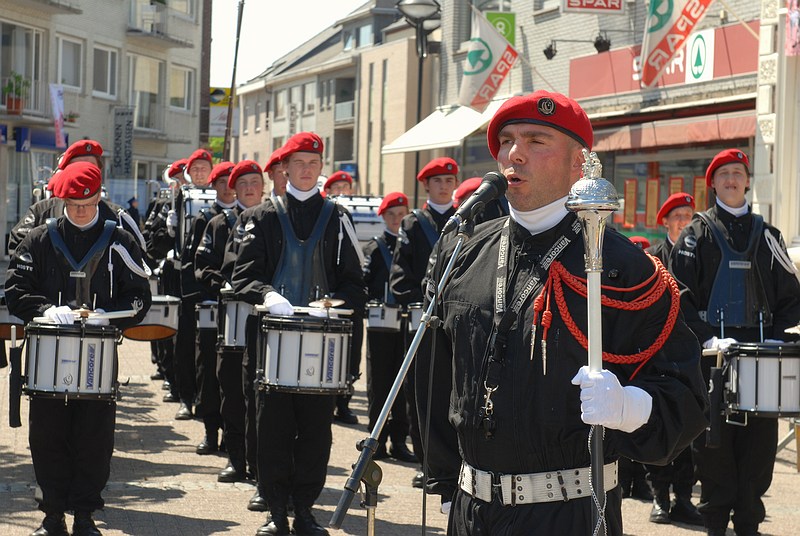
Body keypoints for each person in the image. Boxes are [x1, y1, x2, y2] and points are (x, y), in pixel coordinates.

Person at [422, 90, 708, 535]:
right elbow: (439, 376)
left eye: (537, 141)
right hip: (471, 511)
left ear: (580, 164)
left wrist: (627, 407)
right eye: (507, 141)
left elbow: (687, 403)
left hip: (568, 511)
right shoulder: (466, 253)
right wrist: (444, 483)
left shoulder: (623, 268)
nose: (514, 154)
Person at [231, 132, 367, 536]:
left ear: (321, 167)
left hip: (320, 345)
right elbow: (243, 277)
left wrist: (334, 303)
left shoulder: (338, 217)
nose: (307, 170)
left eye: (314, 163)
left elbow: (356, 286)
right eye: (299, 163)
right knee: (271, 429)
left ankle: (304, 510)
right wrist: (268, 294)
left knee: (314, 432)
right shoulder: (263, 216)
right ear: (284, 168)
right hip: (272, 341)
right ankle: (275, 511)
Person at [5, 162, 151, 536]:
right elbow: (15, 289)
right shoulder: (38, 238)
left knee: (94, 439)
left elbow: (139, 299)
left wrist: (108, 316)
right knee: (47, 437)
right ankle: (52, 514)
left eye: (87, 203)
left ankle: (85, 515)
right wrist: (43, 309)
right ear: (62, 200)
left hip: (97, 360)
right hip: (47, 358)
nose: (81, 211)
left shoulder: (120, 241)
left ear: (99, 197)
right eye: (73, 204)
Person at [670, 149, 800, 536]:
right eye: (723, 173)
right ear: (712, 183)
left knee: (759, 451)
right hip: (713, 359)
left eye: (738, 173)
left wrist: (771, 341)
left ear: (747, 180)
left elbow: (792, 299)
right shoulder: (695, 235)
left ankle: (748, 525)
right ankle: (714, 525)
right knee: (713, 451)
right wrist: (709, 338)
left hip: (761, 360)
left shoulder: (770, 237)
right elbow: (677, 297)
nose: (731, 179)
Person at [389, 156, 460, 491]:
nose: (445, 187)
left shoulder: (467, 219)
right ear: (426, 186)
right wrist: (419, 297)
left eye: (449, 181)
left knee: (456, 392)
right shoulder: (414, 224)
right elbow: (399, 279)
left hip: (459, 321)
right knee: (424, 393)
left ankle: (457, 460)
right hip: (426, 320)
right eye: (438, 182)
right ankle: (427, 461)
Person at [195, 159, 265, 486]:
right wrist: (220, 283)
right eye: (244, 184)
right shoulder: (219, 225)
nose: (250, 189)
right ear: (234, 189)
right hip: (232, 321)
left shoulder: (271, 220)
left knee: (261, 399)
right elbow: (202, 265)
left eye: (255, 182)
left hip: (263, 321)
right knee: (232, 394)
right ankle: (236, 460)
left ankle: (259, 463)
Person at [640, 191, 702, 525]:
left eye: (689, 216)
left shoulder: (701, 255)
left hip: (690, 355)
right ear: (665, 222)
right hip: (658, 353)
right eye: (677, 217)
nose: (683, 223)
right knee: (659, 422)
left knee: (690, 427)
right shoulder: (651, 258)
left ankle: (683, 498)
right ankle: (659, 498)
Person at [8, 139, 145, 256]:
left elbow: (138, 259)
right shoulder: (41, 210)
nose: (82, 174)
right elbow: (18, 247)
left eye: (90, 168)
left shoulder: (118, 216)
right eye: (76, 167)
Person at [183, 159, 237, 450]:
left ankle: (232, 434)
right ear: (214, 186)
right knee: (207, 371)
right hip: (211, 303)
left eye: (234, 181)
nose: (229, 187)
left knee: (231, 375)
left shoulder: (251, 216)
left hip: (239, 307)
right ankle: (210, 431)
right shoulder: (207, 218)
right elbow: (197, 262)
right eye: (223, 181)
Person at [362, 191, 416, 462]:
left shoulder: (412, 243)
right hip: (381, 324)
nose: (397, 219)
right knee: (380, 384)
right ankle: (377, 441)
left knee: (404, 384)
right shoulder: (374, 247)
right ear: (383, 217)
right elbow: (365, 283)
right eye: (392, 215)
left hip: (407, 322)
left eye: (401, 214)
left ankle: (399, 441)